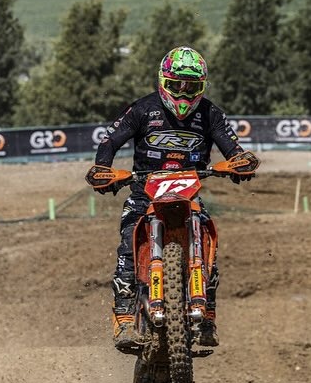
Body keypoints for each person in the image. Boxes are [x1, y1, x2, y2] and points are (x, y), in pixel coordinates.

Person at [88, 46, 259, 353]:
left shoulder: (211, 114)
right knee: (127, 246)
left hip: (188, 194)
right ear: (163, 81)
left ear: (201, 86)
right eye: (176, 85)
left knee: (209, 244)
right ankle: (124, 318)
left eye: (190, 87)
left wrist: (239, 162)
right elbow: (110, 140)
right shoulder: (143, 109)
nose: (182, 93)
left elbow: (232, 148)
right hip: (144, 193)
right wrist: (103, 169)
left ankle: (207, 317)